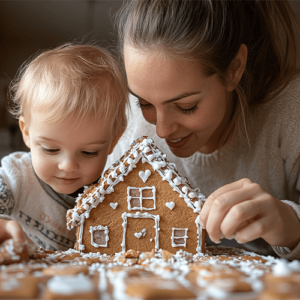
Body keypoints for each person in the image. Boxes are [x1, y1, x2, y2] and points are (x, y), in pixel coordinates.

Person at [106, 0, 300, 259]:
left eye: (186, 106)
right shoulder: (130, 124)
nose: (161, 130)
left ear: (234, 69)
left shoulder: (291, 113)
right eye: (144, 103)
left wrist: (290, 225)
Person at [0, 43, 128, 250]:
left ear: (113, 141)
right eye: (51, 149)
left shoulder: (114, 193)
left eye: (89, 152)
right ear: (26, 132)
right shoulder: (16, 175)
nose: (68, 166)